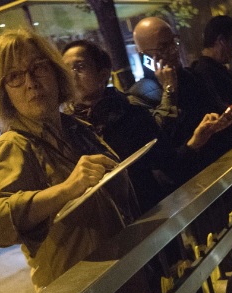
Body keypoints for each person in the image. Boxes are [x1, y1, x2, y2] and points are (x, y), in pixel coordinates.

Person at [0, 29, 139, 290]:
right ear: (3, 92)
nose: (31, 83)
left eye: (38, 68)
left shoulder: (77, 129)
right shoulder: (15, 144)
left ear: (56, 73)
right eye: (14, 76)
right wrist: (65, 190)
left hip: (126, 278)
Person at [131, 17, 232, 187]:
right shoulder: (139, 95)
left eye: (174, 42)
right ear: (144, 56)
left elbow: (217, 110)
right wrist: (169, 90)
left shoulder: (191, 77)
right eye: (162, 47)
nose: (172, 51)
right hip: (189, 185)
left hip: (221, 171)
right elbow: (162, 146)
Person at [61, 39, 173, 213]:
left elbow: (165, 161)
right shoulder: (66, 127)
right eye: (66, 69)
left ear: (103, 74)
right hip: (102, 224)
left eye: (80, 67)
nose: (72, 76)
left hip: (148, 215)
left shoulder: (132, 113)